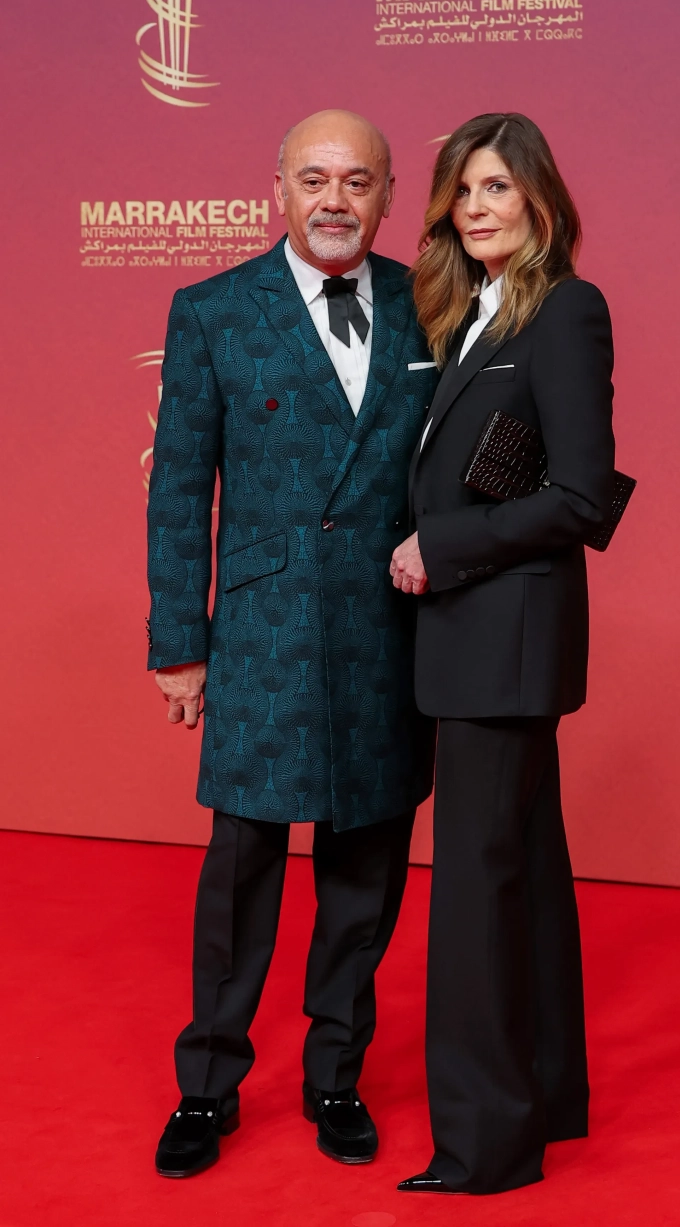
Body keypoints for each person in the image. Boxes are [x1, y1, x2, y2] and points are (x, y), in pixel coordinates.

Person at [147, 110, 438, 1178]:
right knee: (241, 874)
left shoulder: (433, 302)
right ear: (277, 187)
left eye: (357, 180)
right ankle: (207, 1085)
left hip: (390, 633)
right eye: (314, 178)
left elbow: (472, 447)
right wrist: (179, 644)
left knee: (366, 871)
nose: (334, 200)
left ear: (390, 195)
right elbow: (180, 489)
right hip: (262, 637)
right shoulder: (213, 311)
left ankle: (335, 1077)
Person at [390, 112, 616, 1194]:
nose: (476, 208)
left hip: (501, 639)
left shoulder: (566, 308)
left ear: (538, 199)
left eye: (496, 187)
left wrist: (441, 545)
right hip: (484, 641)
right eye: (462, 190)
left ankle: (484, 1144)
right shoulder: (472, 311)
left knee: (478, 889)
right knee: (525, 870)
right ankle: (548, 1096)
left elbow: (581, 495)